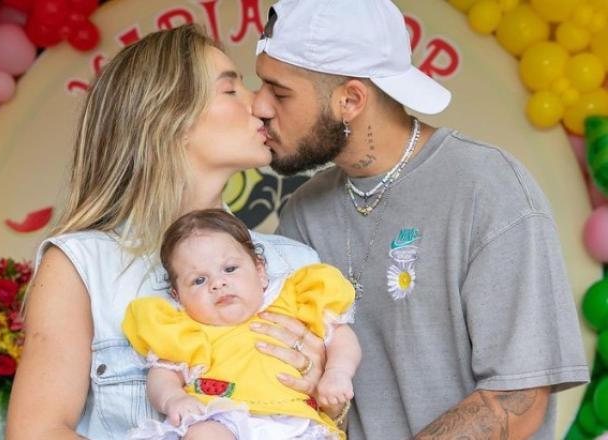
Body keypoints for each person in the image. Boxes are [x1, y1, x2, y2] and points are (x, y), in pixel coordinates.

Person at [252, 0, 590, 438]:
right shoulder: (303, 213)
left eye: (279, 93)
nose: (257, 105)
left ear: (350, 100)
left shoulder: (486, 188)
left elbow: (517, 400)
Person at [7, 24, 334, 440]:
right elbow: (37, 432)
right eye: (231, 91)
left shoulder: (297, 263)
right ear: (169, 118)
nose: (261, 105)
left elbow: (334, 419)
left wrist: (329, 389)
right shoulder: (82, 265)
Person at [122, 208, 361, 439]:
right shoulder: (186, 329)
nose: (218, 283)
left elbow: (341, 337)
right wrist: (173, 398)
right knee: (202, 434)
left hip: (294, 420)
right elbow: (162, 375)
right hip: (221, 418)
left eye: (230, 269)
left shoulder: (293, 298)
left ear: (259, 271)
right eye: (199, 280)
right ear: (178, 297)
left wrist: (337, 372)